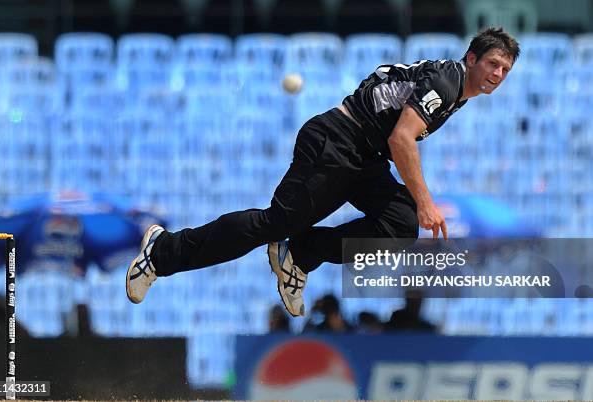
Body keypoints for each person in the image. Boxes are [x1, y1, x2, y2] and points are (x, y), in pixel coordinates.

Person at [126, 27, 520, 317]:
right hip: (337, 140)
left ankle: (298, 253)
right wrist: (426, 202)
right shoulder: (448, 82)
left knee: (399, 225)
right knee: (275, 221)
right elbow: (402, 139)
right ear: (471, 58)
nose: (498, 74)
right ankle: (160, 253)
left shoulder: (454, 90)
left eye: (505, 69)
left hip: (363, 156)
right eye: (492, 63)